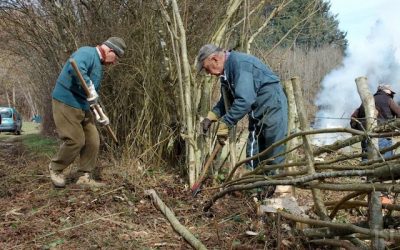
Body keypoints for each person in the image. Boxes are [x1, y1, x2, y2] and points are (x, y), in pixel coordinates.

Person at [196, 44, 288, 174]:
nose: (208, 73)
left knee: (273, 148)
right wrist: (212, 115)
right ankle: (256, 186)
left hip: (272, 107)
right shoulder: (226, 72)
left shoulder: (239, 65)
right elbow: (227, 100)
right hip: (257, 113)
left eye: (206, 68)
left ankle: (273, 187)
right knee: (254, 151)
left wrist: (226, 122)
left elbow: (245, 100)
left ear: (215, 59)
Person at [49, 37, 126, 188]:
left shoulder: (98, 66)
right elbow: (76, 68)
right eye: (115, 57)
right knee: (75, 141)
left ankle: (84, 176)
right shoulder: (87, 52)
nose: (114, 62)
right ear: (110, 50)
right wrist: (90, 87)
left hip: (83, 106)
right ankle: (55, 168)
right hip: (66, 101)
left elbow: (91, 95)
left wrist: (100, 114)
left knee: (93, 140)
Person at [350, 84, 400, 160]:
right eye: (390, 92)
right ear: (385, 90)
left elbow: (353, 118)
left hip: (366, 137)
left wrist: (358, 129)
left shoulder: (367, 101)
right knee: (385, 165)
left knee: (367, 164)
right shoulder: (388, 100)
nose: (391, 94)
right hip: (383, 136)